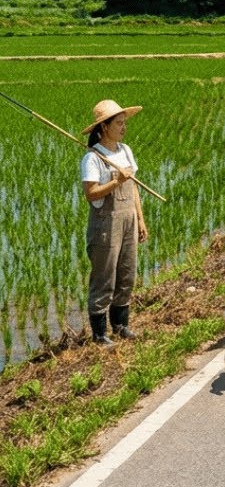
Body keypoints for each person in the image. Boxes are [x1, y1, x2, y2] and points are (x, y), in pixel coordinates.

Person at [80, 99, 149, 346]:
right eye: (119, 123)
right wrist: (116, 181)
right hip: (105, 224)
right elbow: (91, 194)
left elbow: (134, 188)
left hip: (128, 218)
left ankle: (121, 325)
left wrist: (140, 219)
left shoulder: (125, 150)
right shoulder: (93, 158)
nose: (123, 127)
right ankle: (99, 334)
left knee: (127, 273)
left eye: (124, 122)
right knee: (104, 277)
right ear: (103, 128)